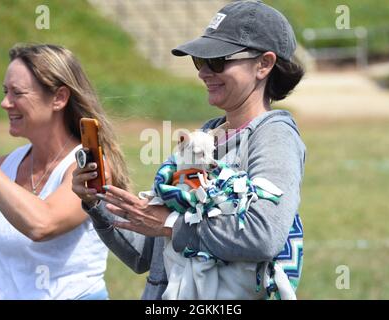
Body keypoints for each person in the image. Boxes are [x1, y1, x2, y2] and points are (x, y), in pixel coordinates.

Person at [73, 0, 305, 300]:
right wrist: (96, 202)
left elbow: (264, 235)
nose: (204, 72)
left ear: (264, 64)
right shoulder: (203, 137)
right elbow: (144, 255)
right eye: (200, 61)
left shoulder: (273, 136)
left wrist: (171, 225)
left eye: (218, 61)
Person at [0, 43, 130, 299]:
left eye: (17, 93)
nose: (4, 103)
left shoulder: (89, 168)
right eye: (4, 92)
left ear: (59, 98)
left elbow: (42, 224)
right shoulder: (6, 166)